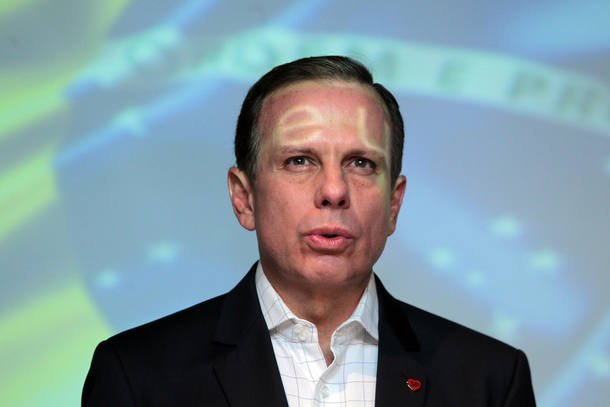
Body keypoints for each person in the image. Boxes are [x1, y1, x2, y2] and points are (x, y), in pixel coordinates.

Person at [82, 55, 536, 406]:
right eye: (299, 161)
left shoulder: (489, 380)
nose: (334, 190)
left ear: (394, 203)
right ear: (244, 197)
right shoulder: (138, 376)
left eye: (361, 163)